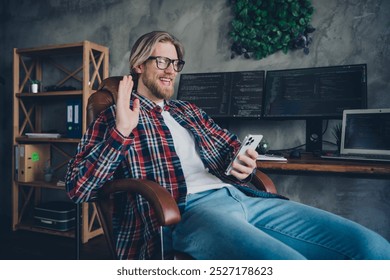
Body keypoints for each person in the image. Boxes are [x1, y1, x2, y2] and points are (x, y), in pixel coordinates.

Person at [65, 31, 390, 260]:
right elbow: (79, 189)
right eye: (161, 62)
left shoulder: (188, 110)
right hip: (187, 211)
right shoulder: (115, 114)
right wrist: (121, 131)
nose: (170, 72)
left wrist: (241, 163)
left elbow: (230, 151)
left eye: (175, 64)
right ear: (139, 65)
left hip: (245, 196)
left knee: (373, 249)